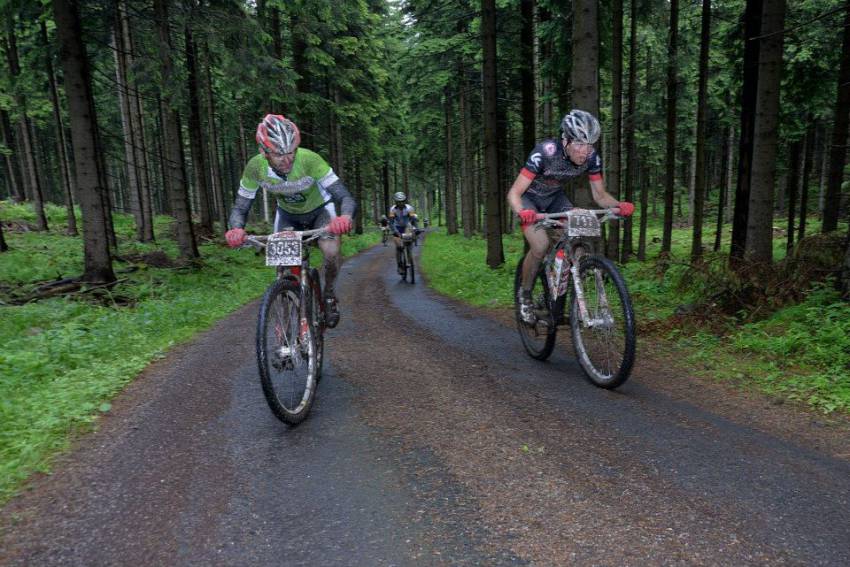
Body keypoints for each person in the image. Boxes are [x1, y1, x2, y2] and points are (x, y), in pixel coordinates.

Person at [224, 114, 356, 328]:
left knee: (331, 251)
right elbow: (240, 206)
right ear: (263, 151)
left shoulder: (310, 160)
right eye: (278, 154)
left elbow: (344, 196)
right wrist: (236, 229)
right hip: (288, 216)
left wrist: (345, 216)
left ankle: (329, 294)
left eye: (291, 151)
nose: (287, 160)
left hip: (320, 212)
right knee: (283, 266)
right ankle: (285, 322)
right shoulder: (255, 168)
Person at [507, 109, 634, 325]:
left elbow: (600, 195)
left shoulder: (591, 158)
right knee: (540, 246)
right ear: (565, 140)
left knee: (577, 242)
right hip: (529, 200)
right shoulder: (545, 153)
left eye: (590, 145)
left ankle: (556, 292)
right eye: (579, 144)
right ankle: (525, 294)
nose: (585, 151)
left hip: (555, 199)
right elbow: (514, 193)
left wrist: (618, 206)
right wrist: (522, 212)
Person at [388, 191, 419, 274]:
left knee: (409, 242)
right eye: (399, 201)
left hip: (406, 227)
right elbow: (391, 222)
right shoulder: (392, 209)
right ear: (396, 202)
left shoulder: (409, 208)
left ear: (405, 201)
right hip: (397, 227)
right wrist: (394, 231)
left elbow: (413, 219)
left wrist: (416, 228)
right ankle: (399, 265)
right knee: (399, 247)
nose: (401, 203)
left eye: (402, 201)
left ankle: (409, 258)